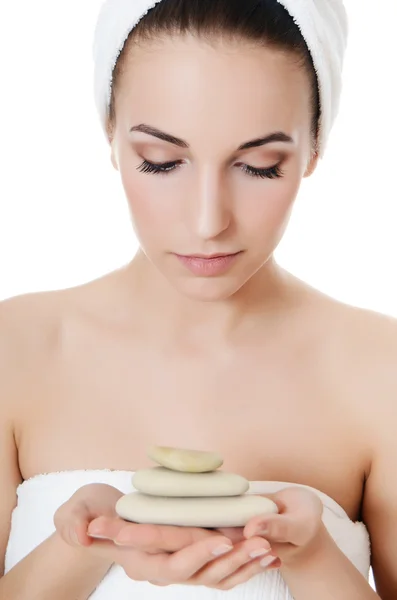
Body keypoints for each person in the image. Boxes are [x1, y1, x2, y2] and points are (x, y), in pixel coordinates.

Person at [0, 0, 395, 598]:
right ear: (111, 135)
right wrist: (83, 546)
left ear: (315, 148)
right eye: (161, 162)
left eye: (260, 166)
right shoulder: (16, 347)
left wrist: (311, 557)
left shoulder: (380, 368)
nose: (208, 221)